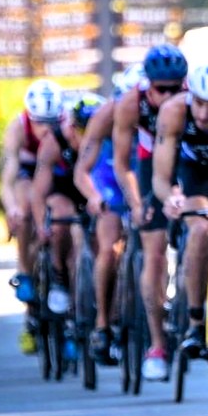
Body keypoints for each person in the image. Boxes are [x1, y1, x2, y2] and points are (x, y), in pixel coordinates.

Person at [113, 44, 189, 382]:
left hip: (187, 160)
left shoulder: (194, 98)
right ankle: (157, 344)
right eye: (162, 90)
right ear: (148, 86)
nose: (170, 96)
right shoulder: (132, 104)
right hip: (148, 166)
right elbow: (120, 162)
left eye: (176, 89)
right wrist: (137, 202)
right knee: (154, 253)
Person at [152, 62, 208, 358]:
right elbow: (160, 177)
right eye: (198, 103)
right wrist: (170, 198)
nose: (204, 114)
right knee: (200, 230)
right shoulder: (174, 111)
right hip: (194, 174)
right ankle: (196, 322)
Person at [73, 69, 142, 365]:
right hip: (109, 179)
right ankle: (102, 321)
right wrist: (94, 197)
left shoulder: (160, 110)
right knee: (110, 246)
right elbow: (82, 170)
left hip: (141, 176)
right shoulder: (105, 116)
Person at [30, 93, 105, 360]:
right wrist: (42, 226)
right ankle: (59, 278)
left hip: (92, 190)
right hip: (61, 191)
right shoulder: (54, 142)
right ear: (72, 127)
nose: (88, 138)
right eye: (83, 131)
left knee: (100, 242)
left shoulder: (102, 141)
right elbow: (38, 193)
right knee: (62, 217)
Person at [2, 78, 64, 354]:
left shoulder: (66, 126)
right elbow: (8, 179)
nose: (45, 129)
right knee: (25, 209)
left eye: (51, 123)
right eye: (39, 122)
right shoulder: (18, 128)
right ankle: (26, 273)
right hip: (27, 174)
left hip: (55, 173)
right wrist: (11, 207)